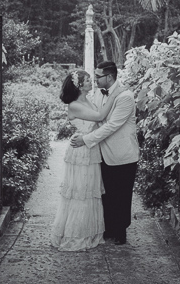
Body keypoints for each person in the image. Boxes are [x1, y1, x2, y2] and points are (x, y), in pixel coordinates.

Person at [51, 69, 124, 251]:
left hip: (91, 148)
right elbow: (99, 117)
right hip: (81, 150)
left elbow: (101, 118)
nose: (91, 82)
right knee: (81, 192)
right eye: (88, 80)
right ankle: (77, 236)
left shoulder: (88, 99)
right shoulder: (74, 104)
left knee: (90, 191)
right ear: (79, 85)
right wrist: (116, 94)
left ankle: (90, 233)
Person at [70, 61, 139, 245]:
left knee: (122, 195)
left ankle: (121, 232)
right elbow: (97, 117)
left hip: (123, 153)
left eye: (98, 76)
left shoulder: (125, 96)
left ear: (109, 77)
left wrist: (85, 139)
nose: (95, 80)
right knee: (107, 193)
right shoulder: (98, 94)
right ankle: (109, 228)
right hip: (102, 152)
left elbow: (111, 125)